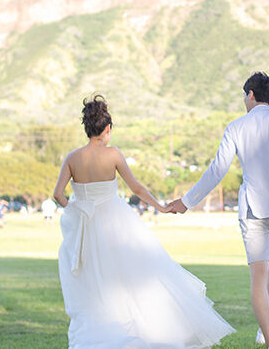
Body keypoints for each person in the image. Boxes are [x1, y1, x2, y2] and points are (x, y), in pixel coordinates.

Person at [53, 95, 234, 348]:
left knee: (96, 284)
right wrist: (160, 206)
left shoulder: (72, 158)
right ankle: (138, 329)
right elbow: (137, 188)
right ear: (107, 129)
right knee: (130, 277)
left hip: (87, 228)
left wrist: (76, 210)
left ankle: (101, 333)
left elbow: (57, 195)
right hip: (116, 224)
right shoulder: (113, 154)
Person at [169, 72, 269, 349]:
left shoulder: (236, 126)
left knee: (258, 275)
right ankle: (266, 331)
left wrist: (187, 201)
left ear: (250, 94)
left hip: (254, 210)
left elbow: (218, 169)